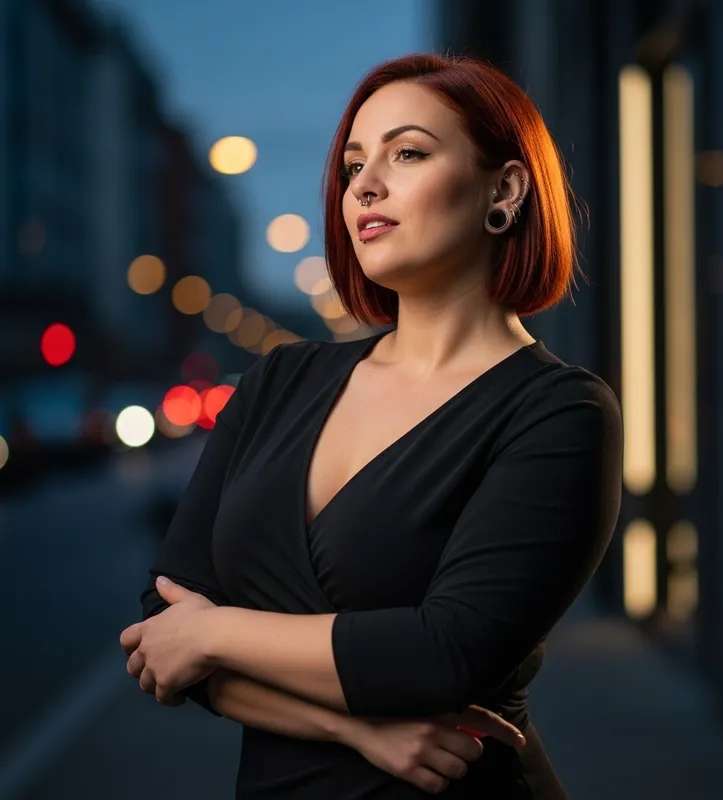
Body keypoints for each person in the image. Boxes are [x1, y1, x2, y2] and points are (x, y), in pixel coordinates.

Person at [120, 53, 623, 799]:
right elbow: (160, 632)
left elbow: (443, 653)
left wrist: (215, 632)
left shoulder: (560, 412)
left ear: (505, 190)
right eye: (354, 165)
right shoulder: (278, 381)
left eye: (408, 153)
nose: (364, 186)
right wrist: (353, 730)